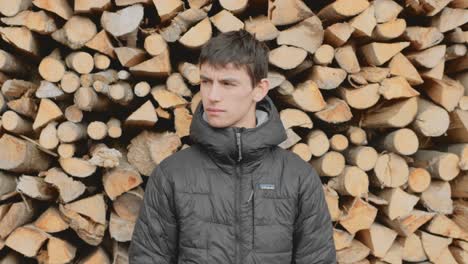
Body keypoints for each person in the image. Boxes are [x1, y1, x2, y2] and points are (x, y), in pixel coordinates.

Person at [129, 29, 336, 264]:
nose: (213, 95)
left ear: (259, 89)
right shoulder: (172, 175)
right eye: (206, 82)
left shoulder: (297, 177)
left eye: (228, 83)